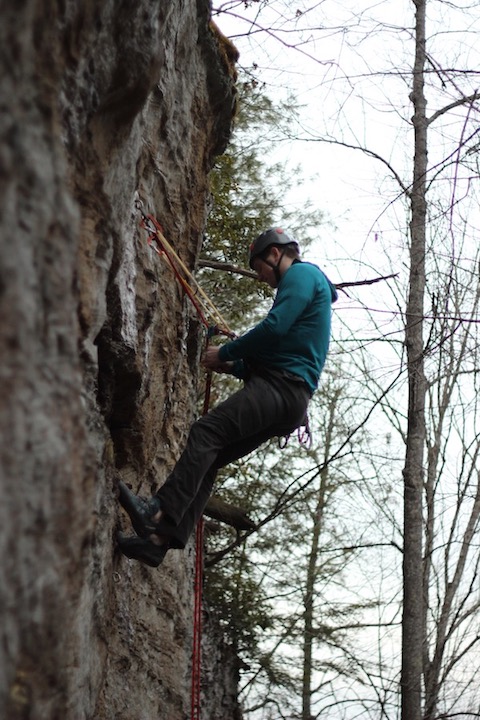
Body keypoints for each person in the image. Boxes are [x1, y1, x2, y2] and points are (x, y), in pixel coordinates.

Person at [117, 227, 338, 566]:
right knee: (211, 456)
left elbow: (274, 328)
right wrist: (234, 365)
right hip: (289, 398)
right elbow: (278, 351)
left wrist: (226, 352)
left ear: (275, 254)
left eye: (259, 267)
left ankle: (157, 510)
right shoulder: (310, 291)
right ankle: (158, 541)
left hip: (281, 389)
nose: (260, 277)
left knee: (206, 433)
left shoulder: (302, 274)